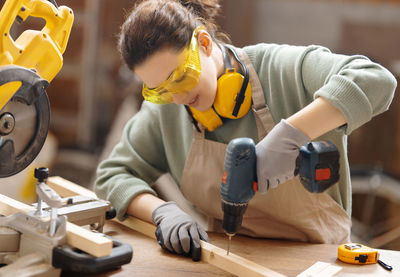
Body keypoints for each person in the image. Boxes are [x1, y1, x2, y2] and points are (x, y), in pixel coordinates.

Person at [95, 0, 397, 261]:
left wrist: (291, 135)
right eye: (158, 90)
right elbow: (111, 176)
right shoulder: (166, 112)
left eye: (180, 77)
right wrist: (162, 213)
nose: (177, 97)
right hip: (230, 259)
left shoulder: (282, 69)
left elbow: (377, 80)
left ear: (203, 43)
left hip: (319, 261)